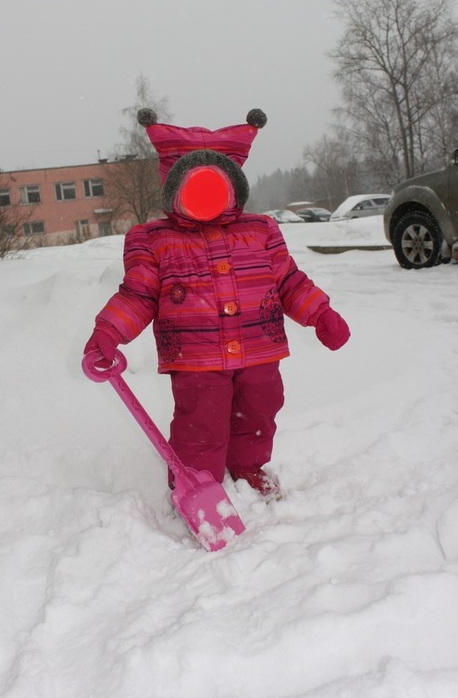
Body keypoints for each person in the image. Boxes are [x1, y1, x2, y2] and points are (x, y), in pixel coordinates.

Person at [84, 108, 350, 500]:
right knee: (200, 424)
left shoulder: (261, 230)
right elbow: (138, 294)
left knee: (259, 412)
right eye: (194, 185)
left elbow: (288, 280)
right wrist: (108, 332)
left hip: (259, 352)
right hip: (196, 358)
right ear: (174, 189)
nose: (205, 194)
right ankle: (197, 484)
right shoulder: (153, 239)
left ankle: (247, 465)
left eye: (215, 184)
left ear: (234, 187)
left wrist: (320, 313)